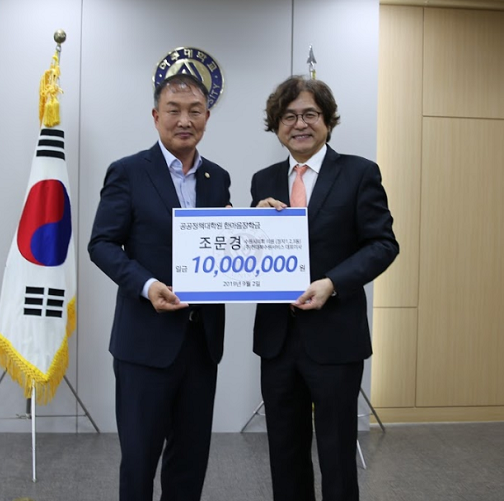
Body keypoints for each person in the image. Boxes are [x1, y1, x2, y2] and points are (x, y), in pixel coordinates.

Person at [250, 76, 399, 501]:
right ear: (277, 126)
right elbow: (255, 254)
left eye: (310, 114)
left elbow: (383, 244)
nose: (300, 124)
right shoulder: (263, 180)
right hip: (277, 340)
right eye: (289, 116)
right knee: (284, 453)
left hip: (336, 339)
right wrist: (251, 219)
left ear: (328, 121)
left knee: (336, 454)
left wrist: (333, 283)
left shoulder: (359, 173)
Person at [88, 73, 231, 501]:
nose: (185, 120)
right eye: (174, 110)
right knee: (139, 461)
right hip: (144, 345)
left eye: (195, 111)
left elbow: (224, 242)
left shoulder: (218, 178)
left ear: (207, 117)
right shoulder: (128, 172)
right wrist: (147, 285)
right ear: (156, 116)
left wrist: (257, 220)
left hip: (201, 344)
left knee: (190, 461)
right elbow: (101, 244)